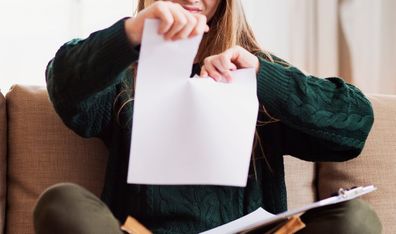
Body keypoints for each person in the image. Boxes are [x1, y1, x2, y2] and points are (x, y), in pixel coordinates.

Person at [33, 0, 382, 233]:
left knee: (357, 218)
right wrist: (130, 33)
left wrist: (262, 76)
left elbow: (354, 125)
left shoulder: (257, 70)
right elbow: (66, 89)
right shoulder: (124, 70)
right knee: (62, 202)